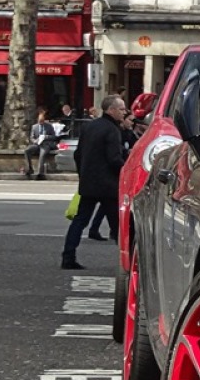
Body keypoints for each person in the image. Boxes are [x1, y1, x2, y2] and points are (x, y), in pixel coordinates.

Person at [61, 95, 126, 269]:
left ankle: (68, 255)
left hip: (89, 182)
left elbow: (78, 154)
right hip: (108, 185)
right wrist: (126, 171)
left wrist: (82, 174)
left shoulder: (89, 127)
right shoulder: (112, 130)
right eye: (121, 109)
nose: (124, 113)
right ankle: (129, 261)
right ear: (111, 110)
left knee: (80, 220)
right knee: (118, 225)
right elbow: (114, 159)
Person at [86, 108, 138, 240]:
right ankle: (116, 234)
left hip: (106, 177)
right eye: (130, 120)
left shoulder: (129, 133)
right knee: (108, 205)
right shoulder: (116, 132)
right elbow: (115, 156)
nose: (133, 123)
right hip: (110, 175)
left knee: (104, 206)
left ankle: (98, 230)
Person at [23, 107, 59, 179]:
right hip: (37, 144)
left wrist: (46, 137)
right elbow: (32, 138)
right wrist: (36, 141)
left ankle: (40, 173)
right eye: (40, 121)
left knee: (42, 155)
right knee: (27, 151)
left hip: (45, 144)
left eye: (42, 121)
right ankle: (29, 169)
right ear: (38, 120)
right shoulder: (34, 127)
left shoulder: (49, 126)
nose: (41, 123)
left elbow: (54, 137)